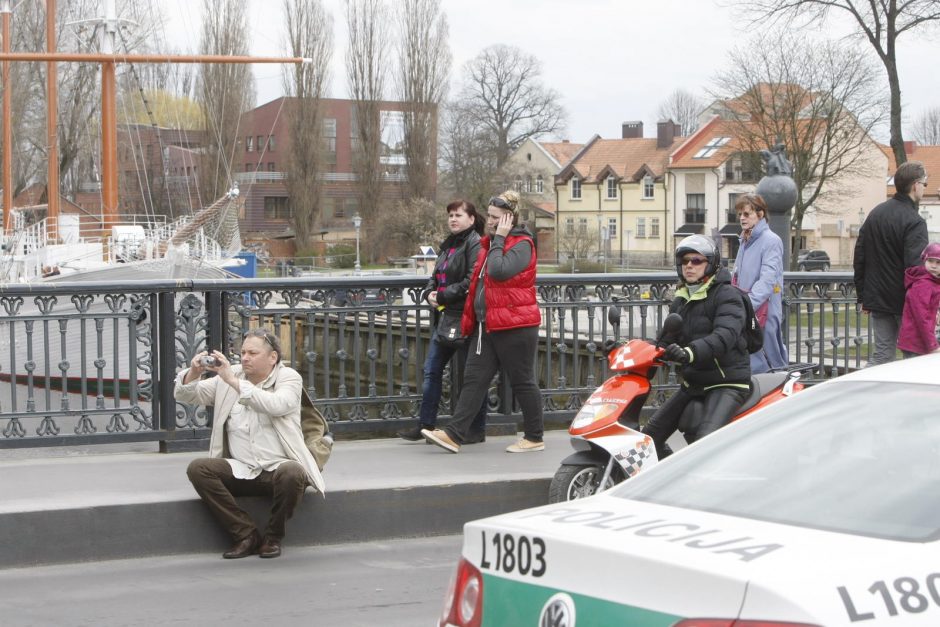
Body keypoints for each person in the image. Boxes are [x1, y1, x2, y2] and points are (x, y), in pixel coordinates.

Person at [176, 328, 325, 559]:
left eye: (252, 353)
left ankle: (273, 538)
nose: (245, 358)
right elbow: (186, 395)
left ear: (272, 357)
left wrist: (233, 382)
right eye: (243, 352)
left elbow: (277, 405)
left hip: (278, 469)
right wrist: (193, 372)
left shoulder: (289, 378)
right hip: (242, 469)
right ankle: (246, 535)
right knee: (198, 468)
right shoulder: (231, 376)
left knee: (293, 472)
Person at [421, 190, 544, 454]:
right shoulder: (490, 244)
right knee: (474, 379)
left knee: (522, 381)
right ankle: (454, 434)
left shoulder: (522, 244)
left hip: (515, 326)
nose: (488, 221)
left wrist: (499, 239)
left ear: (508, 220)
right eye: (489, 216)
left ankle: (534, 437)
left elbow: (499, 272)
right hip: (487, 325)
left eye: (495, 218)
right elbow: (478, 283)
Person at [642, 235, 751, 460]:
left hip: (727, 382)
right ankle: (665, 479)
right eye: (685, 261)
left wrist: (689, 352)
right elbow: (664, 342)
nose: (689, 265)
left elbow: (724, 337)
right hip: (695, 383)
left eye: (697, 261)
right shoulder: (682, 300)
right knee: (649, 439)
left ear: (710, 264)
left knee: (704, 445)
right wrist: (627, 348)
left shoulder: (727, 296)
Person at [398, 200, 488, 442]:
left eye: (458, 215)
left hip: (467, 318)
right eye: (450, 215)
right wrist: (429, 292)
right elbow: (435, 276)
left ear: (471, 219)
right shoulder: (448, 245)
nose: (453, 219)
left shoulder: (475, 243)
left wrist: (444, 295)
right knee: (432, 371)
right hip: (446, 318)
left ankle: (476, 429)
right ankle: (426, 425)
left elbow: (472, 280)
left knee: (473, 376)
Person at [854, 161, 929, 365]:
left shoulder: (875, 214)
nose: (924, 188)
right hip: (906, 301)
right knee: (914, 358)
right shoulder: (915, 222)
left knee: (882, 355)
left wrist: (863, 296)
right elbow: (917, 270)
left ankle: (863, 393)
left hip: (878, 298)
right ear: (915, 185)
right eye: (924, 183)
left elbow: (859, 257)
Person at [731, 193, 788, 372]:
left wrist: (746, 305)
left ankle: (781, 394)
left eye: (747, 214)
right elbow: (738, 276)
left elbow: (767, 280)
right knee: (752, 358)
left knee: (770, 359)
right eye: (740, 214)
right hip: (748, 309)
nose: (742, 218)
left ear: (760, 214)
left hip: (764, 310)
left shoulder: (771, 240)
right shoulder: (745, 240)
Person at [897, 242, 940, 358]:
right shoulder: (923, 284)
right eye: (930, 261)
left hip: (918, 341)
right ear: (924, 260)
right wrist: (932, 345)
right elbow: (921, 316)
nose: (934, 266)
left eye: (938, 262)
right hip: (916, 343)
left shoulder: (932, 281)